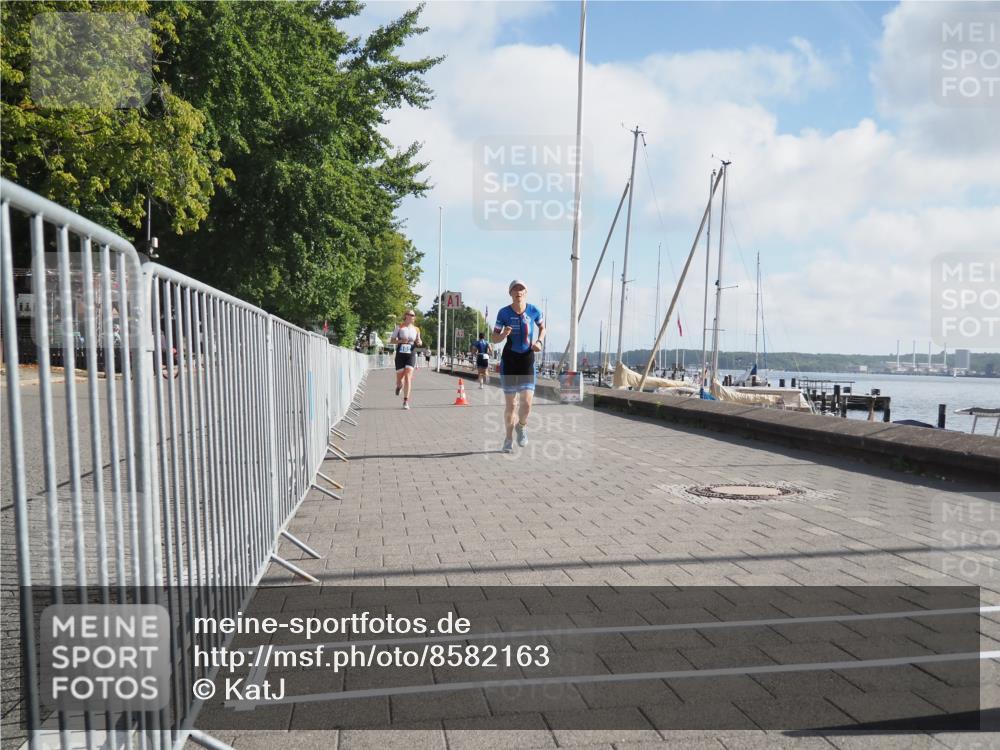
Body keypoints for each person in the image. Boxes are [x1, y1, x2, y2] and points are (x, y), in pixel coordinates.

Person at [492, 280, 545, 453]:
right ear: (510, 293)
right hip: (510, 361)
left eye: (521, 289)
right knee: (511, 405)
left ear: (526, 293)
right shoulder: (504, 313)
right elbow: (494, 338)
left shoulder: (534, 310)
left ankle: (521, 426)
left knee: (527, 403)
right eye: (515, 289)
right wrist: (504, 334)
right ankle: (508, 438)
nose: (518, 292)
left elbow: (543, 328)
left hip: (527, 360)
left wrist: (539, 341)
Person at [390, 310, 422, 409]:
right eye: (410, 315)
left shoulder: (416, 329)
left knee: (408, 376)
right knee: (400, 380)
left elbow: (419, 341)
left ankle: (405, 401)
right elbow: (392, 340)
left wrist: (419, 342)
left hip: (411, 353)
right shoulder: (399, 327)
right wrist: (401, 341)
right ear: (406, 316)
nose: (412, 316)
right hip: (400, 353)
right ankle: (399, 386)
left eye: (413, 315)